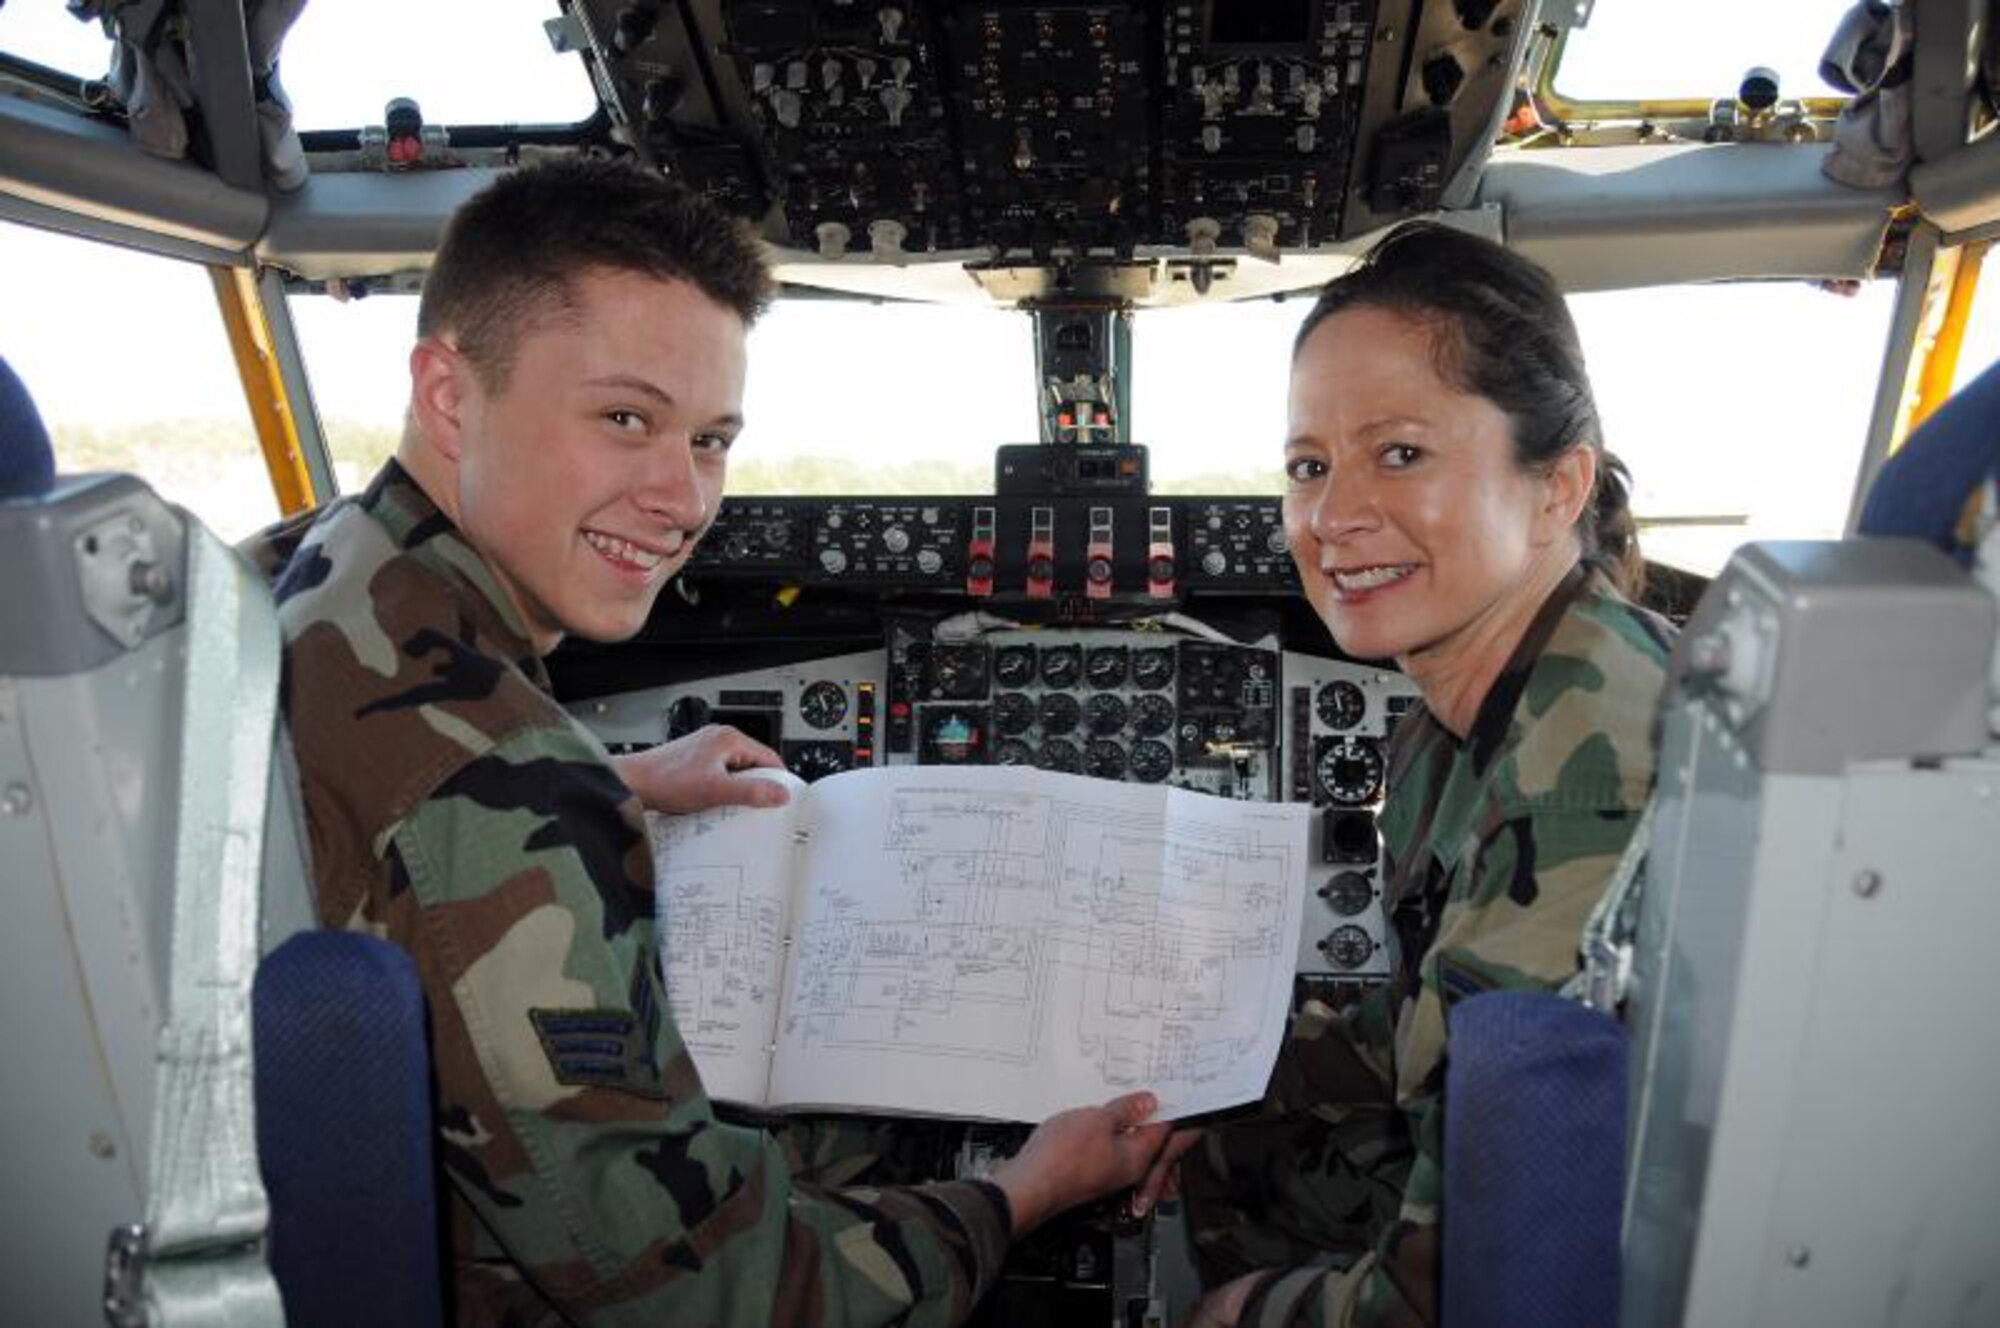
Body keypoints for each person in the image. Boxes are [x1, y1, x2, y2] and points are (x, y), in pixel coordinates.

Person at [244, 157, 1171, 1326]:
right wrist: (1024, 1189)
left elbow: (378, 818)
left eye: (710, 439)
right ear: (446, 394)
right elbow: (728, 1295)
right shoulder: (490, 776)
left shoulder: (309, 566)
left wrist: (611, 778)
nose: (682, 499)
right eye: (625, 419)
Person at [1140, 222, 1676, 1327]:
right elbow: (1427, 1019)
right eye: (1307, 465)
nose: (1332, 519)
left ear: (1554, 485)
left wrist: (1234, 1313)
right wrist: (1207, 1078)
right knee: (1223, 1147)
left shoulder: (1576, 779)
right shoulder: (1464, 710)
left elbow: (1468, 1288)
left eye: (1399, 453)